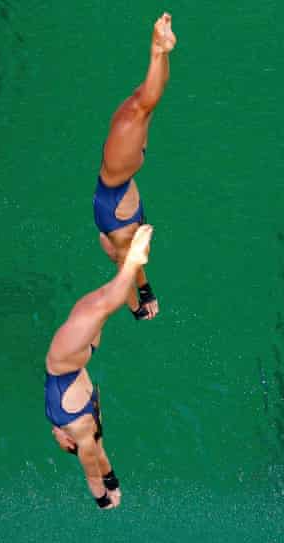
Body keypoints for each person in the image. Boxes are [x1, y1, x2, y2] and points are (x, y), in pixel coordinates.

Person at [45, 224, 154, 509]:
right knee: (103, 305)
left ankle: (139, 304)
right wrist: (104, 500)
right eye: (57, 439)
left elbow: (102, 461)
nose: (53, 434)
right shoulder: (81, 438)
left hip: (82, 356)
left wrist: (114, 483)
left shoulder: (92, 436)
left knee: (103, 305)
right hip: (64, 361)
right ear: (68, 443)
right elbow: (92, 475)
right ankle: (132, 262)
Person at [93, 12, 176, 321]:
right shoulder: (127, 135)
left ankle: (143, 294)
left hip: (118, 197)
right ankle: (137, 309)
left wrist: (161, 55)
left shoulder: (131, 125)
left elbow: (153, 92)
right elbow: (125, 270)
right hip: (116, 205)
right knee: (127, 261)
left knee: (144, 102)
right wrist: (141, 304)